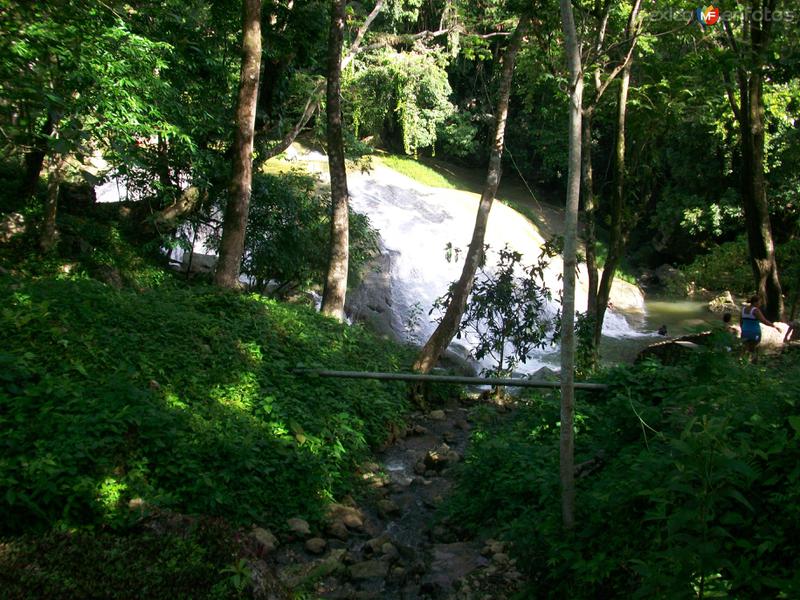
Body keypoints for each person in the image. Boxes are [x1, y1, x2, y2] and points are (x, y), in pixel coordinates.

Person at [740, 295, 780, 362]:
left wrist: (743, 329)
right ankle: (753, 365)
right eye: (759, 302)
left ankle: (741, 362)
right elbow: (764, 321)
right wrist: (774, 326)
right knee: (754, 349)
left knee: (744, 348)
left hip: (745, 332)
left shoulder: (743, 309)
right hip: (755, 333)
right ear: (755, 302)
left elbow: (741, 322)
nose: (760, 304)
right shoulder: (755, 310)